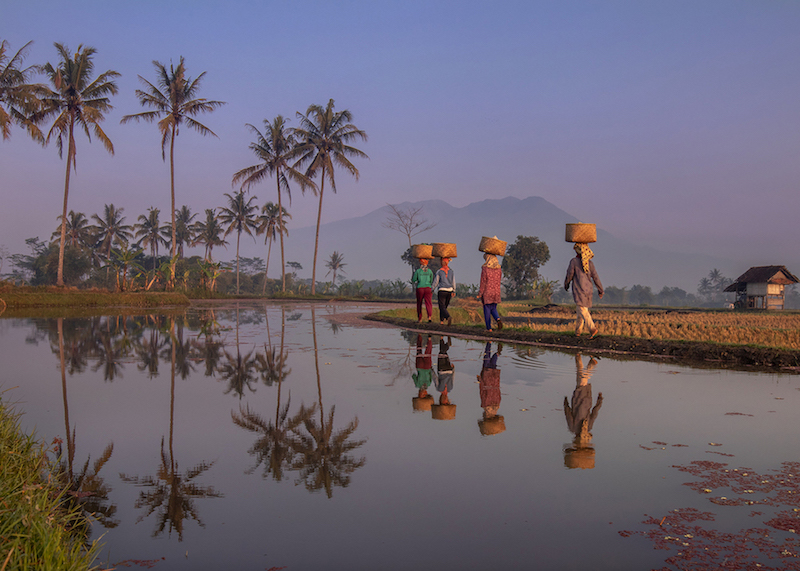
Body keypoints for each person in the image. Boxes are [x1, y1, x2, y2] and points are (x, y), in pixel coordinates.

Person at [564, 243, 604, 338]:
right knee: (581, 310)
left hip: (579, 289)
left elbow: (570, 274)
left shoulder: (574, 261)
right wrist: (600, 290)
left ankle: (592, 329)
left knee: (583, 310)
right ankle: (578, 332)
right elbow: (596, 277)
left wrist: (566, 283)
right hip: (589, 290)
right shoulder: (590, 263)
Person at [477, 253, 503, 331]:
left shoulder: (485, 269)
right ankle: (498, 319)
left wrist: (480, 293)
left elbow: (483, 282)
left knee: (487, 309)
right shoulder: (499, 269)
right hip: (496, 292)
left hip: (487, 292)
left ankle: (489, 328)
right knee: (493, 308)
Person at [432, 257, 456, 325]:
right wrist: (454, 290)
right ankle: (441, 321)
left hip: (442, 290)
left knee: (441, 306)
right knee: (444, 307)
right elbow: (453, 282)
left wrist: (432, 288)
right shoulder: (451, 271)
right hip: (449, 291)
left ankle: (447, 317)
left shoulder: (439, 271)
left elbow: (436, 281)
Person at [411, 257, 434, 322]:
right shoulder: (429, 271)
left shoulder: (418, 271)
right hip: (428, 288)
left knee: (419, 303)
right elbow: (431, 280)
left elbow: (414, 280)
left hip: (420, 288)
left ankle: (420, 318)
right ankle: (429, 317)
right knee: (428, 303)